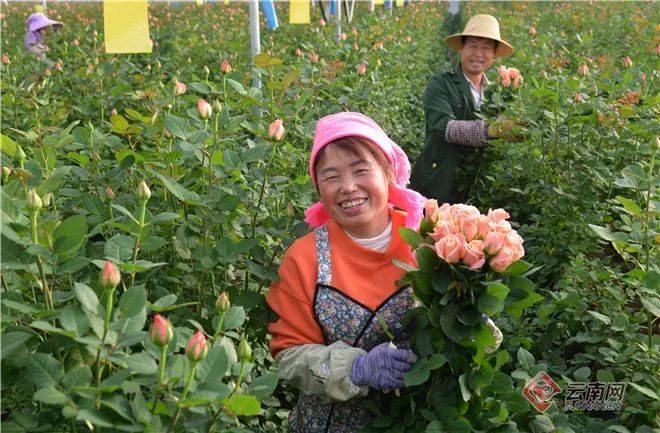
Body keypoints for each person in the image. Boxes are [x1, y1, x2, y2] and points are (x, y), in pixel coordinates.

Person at [266, 112, 426, 433]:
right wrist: (356, 368)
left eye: (360, 170)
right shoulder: (304, 257)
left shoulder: (429, 236)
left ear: (387, 173)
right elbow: (289, 355)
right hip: (332, 423)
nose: (348, 187)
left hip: (423, 417)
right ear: (319, 187)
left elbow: (478, 336)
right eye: (331, 177)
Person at [410, 14, 523, 205]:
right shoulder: (440, 83)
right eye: (472, 46)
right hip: (439, 182)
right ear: (461, 48)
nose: (478, 54)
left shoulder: (496, 93)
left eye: (486, 48)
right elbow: (444, 127)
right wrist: (491, 130)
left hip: (476, 187)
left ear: (494, 54)